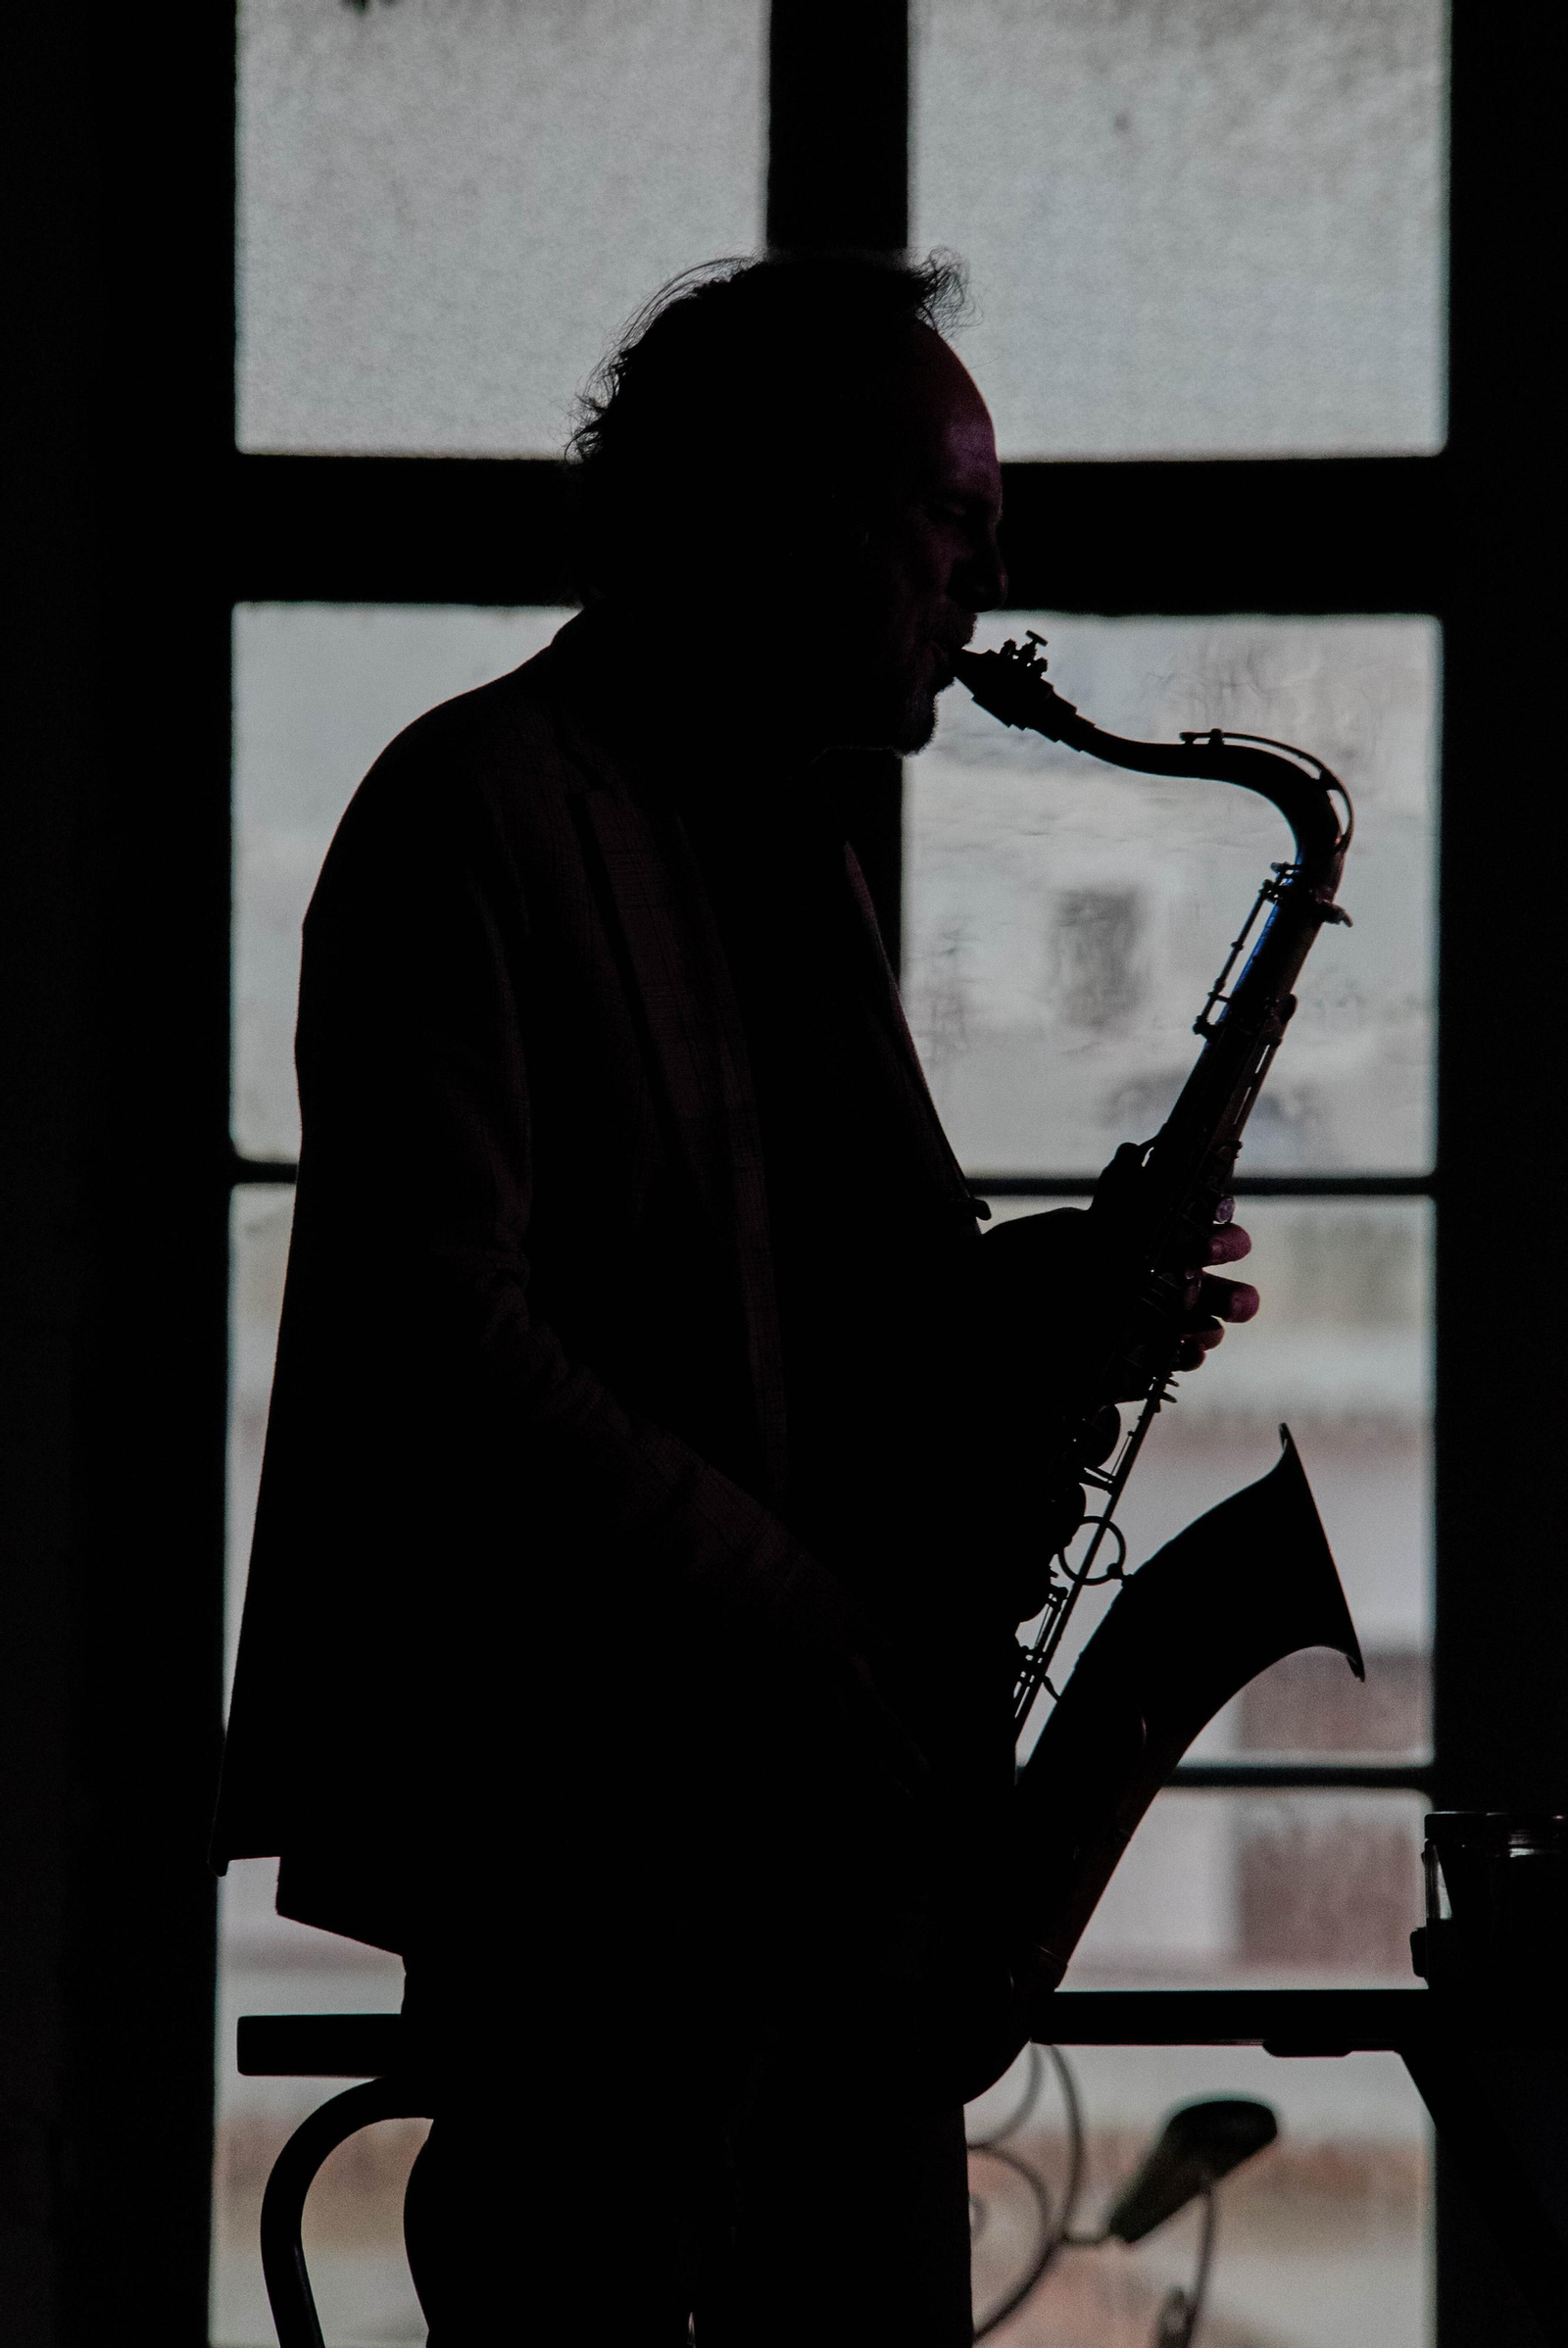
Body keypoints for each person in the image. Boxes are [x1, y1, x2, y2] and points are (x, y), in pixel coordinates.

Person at [212, 252, 1255, 2344]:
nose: (986, 583)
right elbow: (441, 1335)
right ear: (779, 510)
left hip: (816, 1861)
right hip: (588, 1860)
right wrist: (799, 1613)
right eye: (948, 519)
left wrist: (1053, 1300)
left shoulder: (789, 841)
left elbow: (820, 1315)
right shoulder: (473, 809)